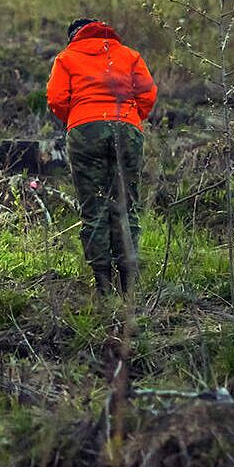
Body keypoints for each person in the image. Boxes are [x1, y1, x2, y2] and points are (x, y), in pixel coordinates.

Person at [46, 19, 157, 295]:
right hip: (127, 129)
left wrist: (79, 118)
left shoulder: (67, 57)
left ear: (73, 36)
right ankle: (129, 285)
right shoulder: (130, 55)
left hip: (86, 131)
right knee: (126, 206)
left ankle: (103, 286)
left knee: (93, 207)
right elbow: (148, 93)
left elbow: (57, 99)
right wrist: (131, 118)